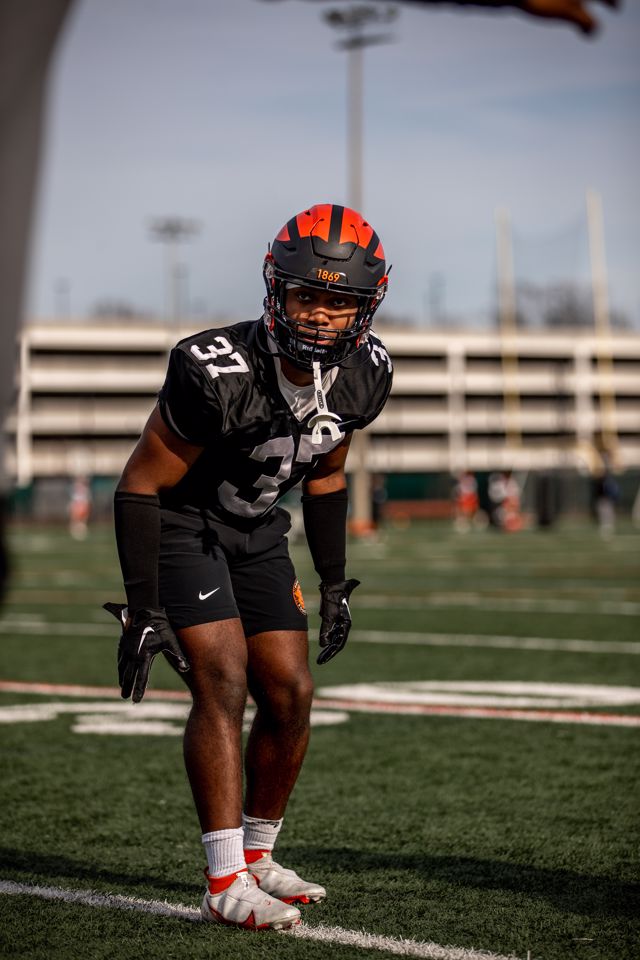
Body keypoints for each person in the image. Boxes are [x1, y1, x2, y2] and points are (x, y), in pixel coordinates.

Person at [104, 204, 393, 931]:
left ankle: (259, 856)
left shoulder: (365, 372)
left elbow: (328, 475)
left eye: (340, 302)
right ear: (275, 289)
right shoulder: (214, 369)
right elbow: (140, 484)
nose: (321, 315)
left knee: (291, 692)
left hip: (258, 530)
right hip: (182, 524)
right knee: (224, 679)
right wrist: (144, 608)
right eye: (307, 295)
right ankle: (223, 878)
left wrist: (334, 583)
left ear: (367, 306)